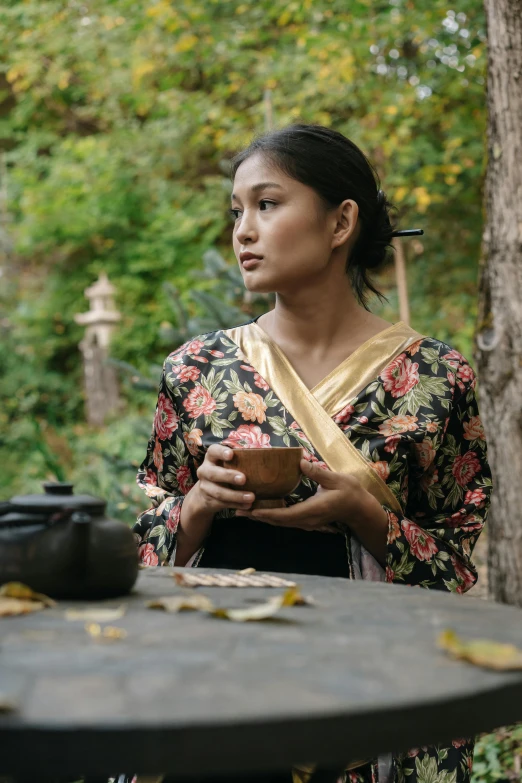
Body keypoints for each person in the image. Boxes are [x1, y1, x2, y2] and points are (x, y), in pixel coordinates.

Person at [133, 124, 492, 783]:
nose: (244, 229)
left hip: (369, 712)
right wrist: (195, 506)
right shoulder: (196, 369)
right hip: (213, 704)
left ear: (340, 223)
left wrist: (365, 513)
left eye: (267, 205)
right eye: (237, 210)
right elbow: (141, 545)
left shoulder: (437, 378)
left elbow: (454, 572)